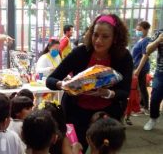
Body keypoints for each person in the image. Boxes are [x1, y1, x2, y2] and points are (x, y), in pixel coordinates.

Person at [46, 14, 133, 151]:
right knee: (77, 148)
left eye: (105, 37)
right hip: (76, 113)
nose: (98, 41)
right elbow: (50, 80)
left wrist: (107, 93)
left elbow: (124, 91)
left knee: (103, 150)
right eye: (95, 35)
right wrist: (62, 85)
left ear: (115, 38)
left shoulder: (123, 57)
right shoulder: (80, 52)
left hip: (106, 116)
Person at [140, 31, 163, 131]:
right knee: (155, 98)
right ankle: (153, 118)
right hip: (161, 72)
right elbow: (148, 50)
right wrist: (158, 40)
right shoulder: (160, 32)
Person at [132, 21, 152, 115]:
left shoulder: (146, 40)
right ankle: (141, 106)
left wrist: (138, 70)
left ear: (146, 30)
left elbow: (145, 56)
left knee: (142, 87)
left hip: (141, 68)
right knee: (139, 87)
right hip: (136, 66)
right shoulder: (140, 40)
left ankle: (145, 107)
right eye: (137, 29)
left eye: (140, 30)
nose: (137, 31)